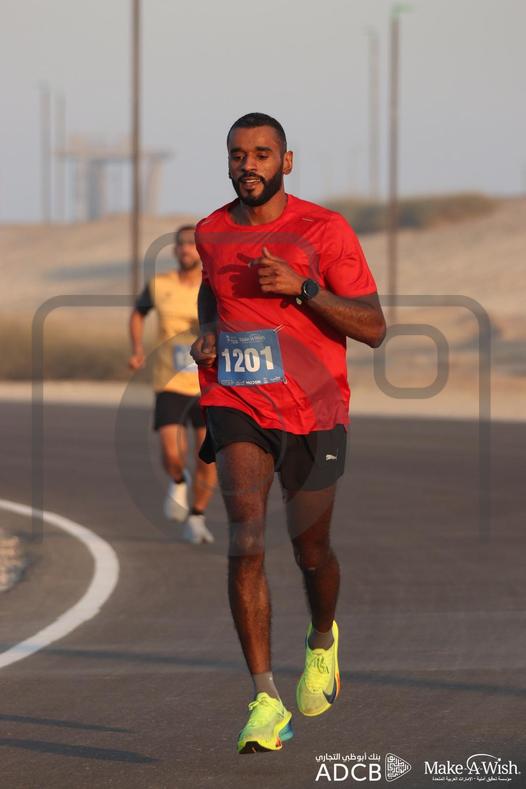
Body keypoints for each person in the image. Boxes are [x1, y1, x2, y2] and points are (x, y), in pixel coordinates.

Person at [191, 113, 386, 753]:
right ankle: (265, 699)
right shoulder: (211, 231)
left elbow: (374, 327)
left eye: (262, 153)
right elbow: (211, 291)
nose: (248, 165)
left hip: (315, 409)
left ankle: (322, 638)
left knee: (311, 552)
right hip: (237, 399)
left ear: (287, 161)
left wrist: (303, 289)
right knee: (246, 539)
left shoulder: (324, 230)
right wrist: (210, 330)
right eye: (238, 154)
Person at [129, 224, 217, 544]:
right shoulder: (160, 284)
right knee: (171, 452)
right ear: (175, 250)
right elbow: (138, 314)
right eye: (180, 244)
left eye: (191, 244)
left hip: (208, 384)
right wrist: (137, 349)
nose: (185, 249)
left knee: (207, 455)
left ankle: (197, 516)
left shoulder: (213, 286)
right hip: (170, 381)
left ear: (201, 250)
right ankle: (178, 480)